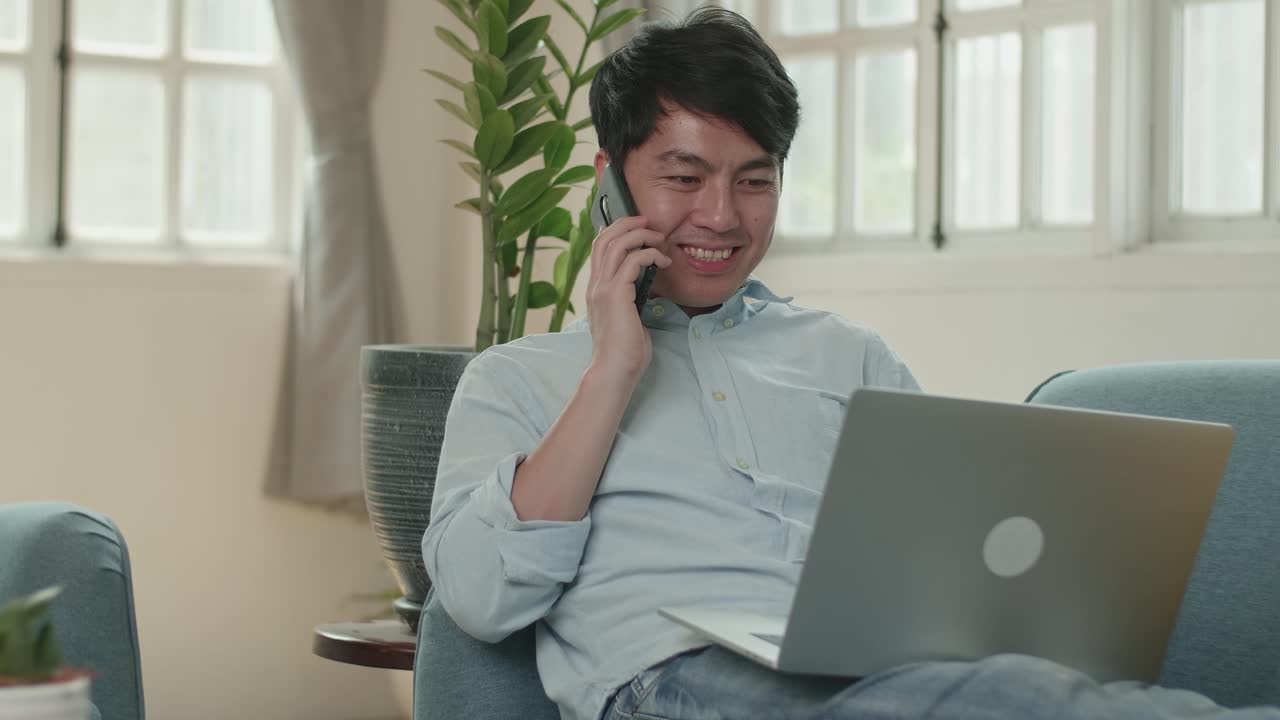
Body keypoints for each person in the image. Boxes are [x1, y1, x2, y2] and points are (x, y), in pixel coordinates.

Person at [422, 8, 1280, 720]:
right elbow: (481, 599)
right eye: (684, 178)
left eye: (755, 182)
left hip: (878, 679)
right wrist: (612, 368)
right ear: (611, 182)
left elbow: (959, 565)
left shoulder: (847, 353)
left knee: (1025, 691)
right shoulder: (515, 379)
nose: (721, 216)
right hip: (677, 683)